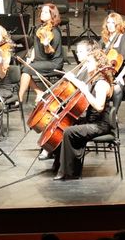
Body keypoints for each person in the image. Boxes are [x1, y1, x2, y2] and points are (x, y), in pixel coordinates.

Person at [49, 48, 115, 181]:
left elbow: (99, 107)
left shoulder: (101, 84)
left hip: (100, 125)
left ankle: (69, 172)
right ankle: (60, 164)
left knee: (69, 132)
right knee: (64, 125)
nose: (86, 64)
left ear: (98, 64)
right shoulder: (94, 80)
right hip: (92, 121)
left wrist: (85, 90)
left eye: (89, 62)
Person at [18, 3, 63, 104]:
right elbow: (35, 45)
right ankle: (39, 92)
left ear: (52, 15)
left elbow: (49, 53)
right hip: (41, 60)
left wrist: (46, 45)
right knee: (24, 67)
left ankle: (20, 98)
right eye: (42, 11)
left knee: (26, 69)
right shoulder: (40, 28)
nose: (42, 13)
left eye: (46, 12)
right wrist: (30, 57)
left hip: (53, 62)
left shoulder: (55, 31)